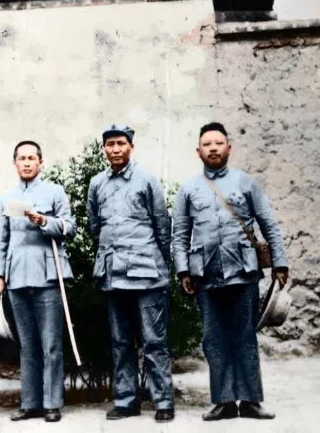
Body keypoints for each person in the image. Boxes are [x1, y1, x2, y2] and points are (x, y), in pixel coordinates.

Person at [172, 122, 289, 421]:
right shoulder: (189, 189)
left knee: (245, 336)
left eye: (219, 143)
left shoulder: (245, 183)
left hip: (244, 272)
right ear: (198, 151)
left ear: (229, 148)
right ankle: (224, 402)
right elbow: (181, 234)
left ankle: (250, 401)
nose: (213, 148)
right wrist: (183, 270)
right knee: (214, 339)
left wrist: (280, 264)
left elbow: (269, 225)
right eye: (207, 144)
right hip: (206, 275)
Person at [87, 124, 175, 422]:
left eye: (121, 143)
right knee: (121, 341)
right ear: (104, 149)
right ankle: (126, 400)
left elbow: (163, 228)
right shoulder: (97, 183)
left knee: (154, 340)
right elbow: (94, 226)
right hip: (113, 274)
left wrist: (162, 265)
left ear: (131, 147)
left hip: (148, 273)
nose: (115, 149)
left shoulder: (147, 181)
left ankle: (163, 401)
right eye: (110, 144)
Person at [0, 140, 76, 423]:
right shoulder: (6, 198)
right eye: (21, 158)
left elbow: (70, 227)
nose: (26, 163)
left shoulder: (54, 192)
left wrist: (43, 221)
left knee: (51, 343)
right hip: (16, 278)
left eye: (31, 158)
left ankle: (52, 403)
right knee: (26, 344)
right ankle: (30, 403)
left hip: (48, 276)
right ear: (14, 163)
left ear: (41, 162)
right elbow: (1, 240)